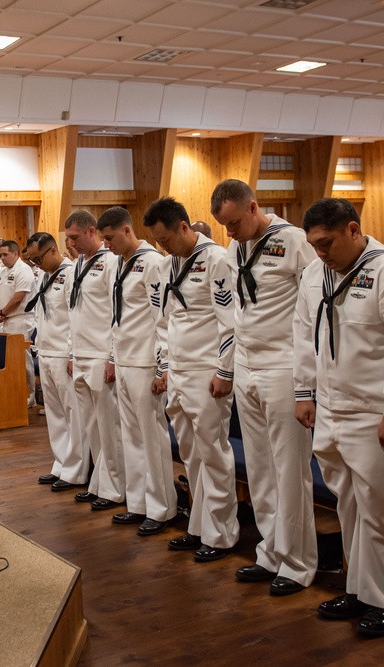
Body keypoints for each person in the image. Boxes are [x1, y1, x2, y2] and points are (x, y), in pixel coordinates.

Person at [211, 179, 317, 597]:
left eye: (235, 222)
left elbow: (314, 309)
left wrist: (308, 381)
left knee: (289, 469)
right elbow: (238, 311)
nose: (230, 232)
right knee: (259, 467)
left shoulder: (293, 241)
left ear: (254, 207)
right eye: (224, 226)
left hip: (284, 367)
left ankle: (298, 562)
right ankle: (271, 551)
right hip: (248, 364)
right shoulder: (237, 247)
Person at [294, 197, 384, 639]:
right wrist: (305, 392)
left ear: (353, 230)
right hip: (330, 406)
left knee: (379, 510)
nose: (320, 252)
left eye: (326, 242)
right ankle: (359, 587)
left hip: (372, 411)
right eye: (313, 245)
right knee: (348, 507)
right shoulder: (315, 273)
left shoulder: (383, 269)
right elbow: (303, 334)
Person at [144, 196, 238, 563]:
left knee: (213, 452)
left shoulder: (218, 260)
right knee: (190, 454)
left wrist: (224, 370)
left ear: (184, 227)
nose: (162, 247)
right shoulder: (168, 265)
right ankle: (199, 525)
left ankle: (222, 533)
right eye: (156, 242)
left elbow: (229, 321)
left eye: (166, 239)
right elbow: (164, 322)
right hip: (179, 371)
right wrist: (164, 367)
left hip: (207, 371)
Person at [96, 207, 175, 537]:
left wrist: (163, 366)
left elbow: (163, 318)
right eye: (103, 239)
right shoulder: (117, 263)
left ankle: (161, 508)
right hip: (126, 358)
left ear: (127, 231)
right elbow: (118, 316)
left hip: (146, 361)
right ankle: (139, 502)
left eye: (110, 238)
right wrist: (113, 357)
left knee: (151, 437)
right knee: (130, 437)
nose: (107, 244)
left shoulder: (153, 262)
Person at [64, 210, 124, 512]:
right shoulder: (77, 265)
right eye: (68, 238)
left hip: (102, 354)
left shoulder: (111, 262)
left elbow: (116, 312)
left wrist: (113, 356)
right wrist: (72, 353)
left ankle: (115, 487)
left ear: (91, 231)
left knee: (109, 426)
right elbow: (74, 313)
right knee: (91, 425)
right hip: (82, 353)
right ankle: (99, 481)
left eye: (74, 237)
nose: (70, 243)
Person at [25, 232, 89, 492]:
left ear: (52, 250)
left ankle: (76, 470)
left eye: (38, 258)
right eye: (32, 261)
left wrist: (73, 353)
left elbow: (75, 317)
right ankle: (61, 463)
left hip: (64, 352)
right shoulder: (43, 274)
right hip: (46, 351)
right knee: (54, 414)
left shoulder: (71, 273)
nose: (36, 265)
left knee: (72, 413)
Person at [0, 240, 37, 407]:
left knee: (22, 360)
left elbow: (18, 297)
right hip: (4, 320)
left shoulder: (23, 270)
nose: (2, 258)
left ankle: (29, 396)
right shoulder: (1, 272)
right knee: (9, 361)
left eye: (5, 255)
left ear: (16, 254)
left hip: (20, 319)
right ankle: (14, 392)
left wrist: (2, 312)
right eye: (0, 255)